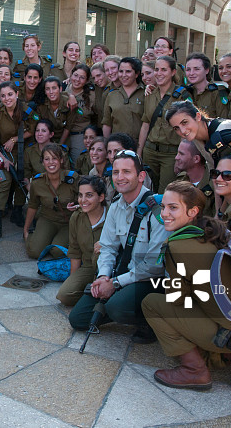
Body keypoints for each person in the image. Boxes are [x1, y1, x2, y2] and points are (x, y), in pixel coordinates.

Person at [142, 181, 231, 391]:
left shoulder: (177, 246)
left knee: (152, 303)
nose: (164, 213)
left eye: (173, 208)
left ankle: (194, 370)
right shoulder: (213, 230)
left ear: (193, 211)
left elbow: (176, 299)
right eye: (163, 206)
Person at [68, 150, 168, 342]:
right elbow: (108, 247)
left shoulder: (157, 211)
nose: (120, 178)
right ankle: (117, 305)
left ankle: (150, 322)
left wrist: (114, 284)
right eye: (115, 172)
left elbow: (154, 266)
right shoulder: (116, 205)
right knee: (79, 319)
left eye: (126, 172)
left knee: (116, 307)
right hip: (122, 274)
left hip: (149, 281)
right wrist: (104, 276)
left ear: (140, 176)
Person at [0, 81, 35, 234]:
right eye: (3, 95)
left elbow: (33, 130)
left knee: (22, 178)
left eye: (10, 94)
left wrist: (14, 139)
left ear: (17, 94)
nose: (7, 98)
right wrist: (2, 159)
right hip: (2, 154)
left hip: (22, 152)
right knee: (4, 181)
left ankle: (17, 210)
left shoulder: (26, 111)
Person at [137, 55, 191, 192]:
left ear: (173, 72)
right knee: (147, 190)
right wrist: (139, 152)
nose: (159, 73)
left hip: (170, 154)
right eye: (156, 69)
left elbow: (187, 129)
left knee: (164, 192)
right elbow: (146, 124)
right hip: (150, 151)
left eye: (163, 70)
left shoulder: (181, 95)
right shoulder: (150, 93)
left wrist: (181, 156)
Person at [56, 175, 106, 306]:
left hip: (109, 269)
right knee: (64, 295)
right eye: (80, 195)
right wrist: (73, 281)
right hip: (89, 266)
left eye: (89, 195)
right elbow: (75, 251)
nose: (83, 200)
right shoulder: (77, 217)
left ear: (101, 197)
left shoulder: (112, 215)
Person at [23, 144, 78, 259]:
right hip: (48, 219)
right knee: (34, 252)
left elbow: (85, 202)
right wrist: (26, 229)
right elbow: (33, 206)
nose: (51, 162)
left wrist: (77, 207)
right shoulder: (37, 182)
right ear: (42, 162)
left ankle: (56, 242)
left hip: (68, 222)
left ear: (61, 160)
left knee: (57, 252)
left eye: (54, 158)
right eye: (47, 159)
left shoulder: (73, 179)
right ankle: (41, 238)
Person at [102, 57, 144, 142]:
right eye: (121, 71)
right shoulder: (111, 95)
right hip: (118, 144)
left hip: (140, 144)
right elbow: (107, 124)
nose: (123, 75)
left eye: (128, 71)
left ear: (136, 74)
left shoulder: (146, 93)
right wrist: (107, 145)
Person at [173, 139, 214, 216]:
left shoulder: (212, 185)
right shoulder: (181, 179)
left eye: (181, 154)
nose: (176, 157)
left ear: (196, 159)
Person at [183, 53, 228, 120]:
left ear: (207, 70)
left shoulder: (217, 92)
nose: (191, 73)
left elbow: (223, 121)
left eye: (197, 69)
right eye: (188, 69)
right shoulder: (185, 92)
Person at [64, 64, 95, 160]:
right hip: (61, 134)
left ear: (86, 80)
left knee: (77, 165)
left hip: (79, 136)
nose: (77, 79)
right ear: (71, 75)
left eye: (82, 77)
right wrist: (69, 96)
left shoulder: (91, 95)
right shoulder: (64, 87)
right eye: (75, 75)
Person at [36, 76, 75, 145]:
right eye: (47, 89)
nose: (51, 92)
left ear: (60, 89)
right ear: (45, 91)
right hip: (46, 139)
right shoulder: (41, 105)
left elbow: (68, 128)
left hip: (64, 138)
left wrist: (59, 145)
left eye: (54, 88)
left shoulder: (68, 102)